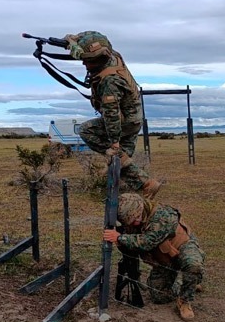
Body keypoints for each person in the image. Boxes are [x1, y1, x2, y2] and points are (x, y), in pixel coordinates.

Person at [65, 31, 161, 199]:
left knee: (88, 132)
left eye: (89, 61)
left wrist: (114, 144)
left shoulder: (110, 81)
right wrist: (72, 39)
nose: (85, 65)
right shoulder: (112, 54)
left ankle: (145, 184)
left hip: (124, 121)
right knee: (121, 161)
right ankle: (127, 189)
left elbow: (111, 115)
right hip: (135, 118)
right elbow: (93, 36)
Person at [103, 193, 205, 322]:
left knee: (193, 265)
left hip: (182, 247)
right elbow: (131, 248)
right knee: (159, 296)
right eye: (131, 221)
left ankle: (185, 300)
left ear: (141, 208)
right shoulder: (132, 220)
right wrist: (120, 240)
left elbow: (147, 242)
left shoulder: (162, 215)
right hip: (164, 258)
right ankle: (188, 282)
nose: (135, 222)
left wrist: (119, 237)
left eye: (136, 218)